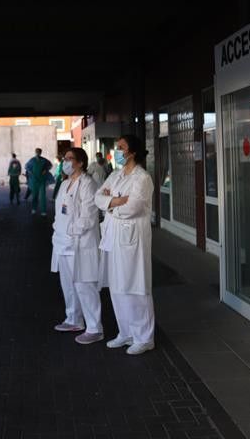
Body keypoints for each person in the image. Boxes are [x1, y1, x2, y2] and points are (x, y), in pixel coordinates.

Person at [94, 135, 156, 356]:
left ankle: (144, 337)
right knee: (118, 287)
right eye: (117, 147)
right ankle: (126, 332)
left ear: (133, 152)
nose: (117, 150)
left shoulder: (142, 178)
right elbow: (97, 197)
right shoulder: (115, 174)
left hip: (132, 239)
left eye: (121, 147)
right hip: (113, 237)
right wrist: (116, 201)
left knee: (136, 287)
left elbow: (134, 208)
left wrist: (111, 206)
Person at [50, 148, 103, 345]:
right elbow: (59, 212)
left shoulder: (88, 184)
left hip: (80, 242)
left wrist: (73, 232)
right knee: (68, 285)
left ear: (80, 162)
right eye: (65, 159)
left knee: (84, 285)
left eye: (70, 159)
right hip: (62, 242)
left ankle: (95, 328)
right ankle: (73, 319)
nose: (66, 162)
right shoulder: (64, 183)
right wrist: (58, 231)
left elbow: (89, 216)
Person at [26, 148, 51, 217]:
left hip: (42, 180)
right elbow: (27, 167)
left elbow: (49, 165)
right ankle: (34, 208)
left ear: (41, 152)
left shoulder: (44, 160)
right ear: (35, 152)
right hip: (34, 180)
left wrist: (45, 170)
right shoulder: (32, 160)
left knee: (42, 196)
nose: (38, 153)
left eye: (39, 152)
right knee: (34, 195)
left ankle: (43, 211)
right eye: (37, 152)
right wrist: (30, 173)